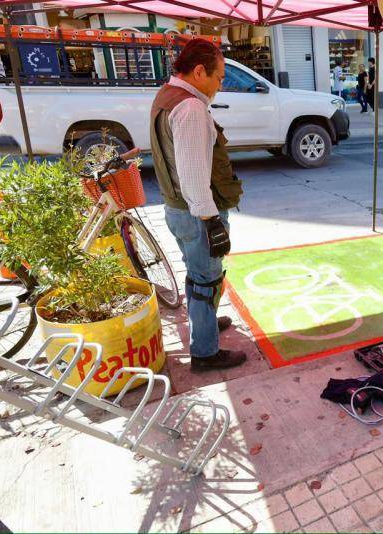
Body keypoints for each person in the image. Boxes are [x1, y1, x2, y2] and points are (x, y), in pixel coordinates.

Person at [150, 38, 246, 372]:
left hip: (177, 209)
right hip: (195, 213)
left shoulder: (167, 94)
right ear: (199, 71)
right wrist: (212, 221)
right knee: (206, 280)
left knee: (198, 274)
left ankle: (204, 323)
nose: (220, 85)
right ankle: (205, 352)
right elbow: (193, 178)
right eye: (219, 77)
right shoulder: (190, 108)